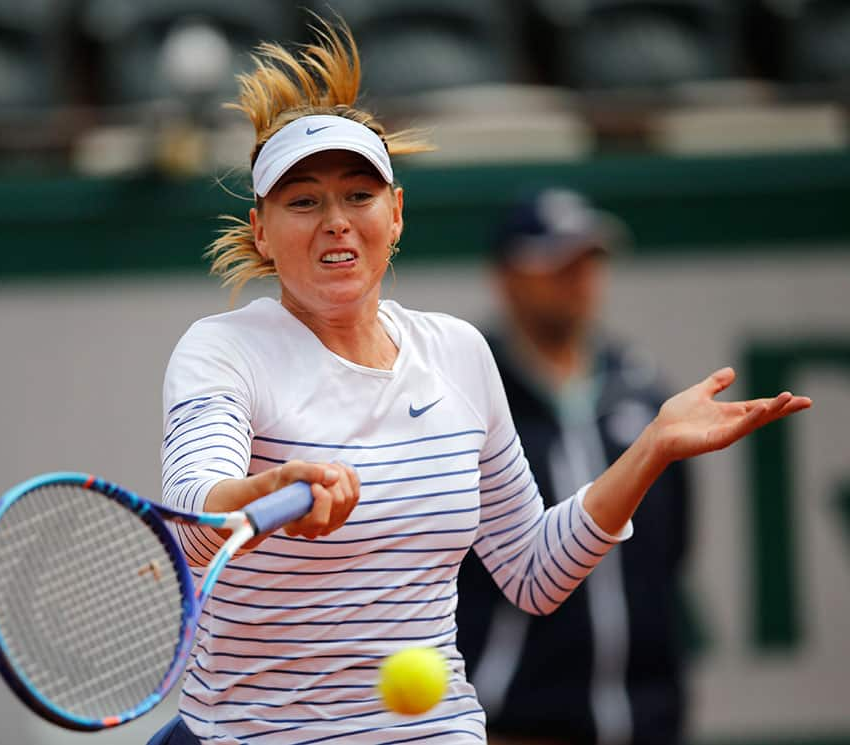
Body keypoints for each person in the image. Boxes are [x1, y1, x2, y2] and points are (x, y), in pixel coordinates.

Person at [148, 19, 810, 745]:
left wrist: (649, 449)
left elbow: (531, 569)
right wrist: (261, 496)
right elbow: (194, 517)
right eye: (303, 202)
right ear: (262, 231)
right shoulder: (223, 350)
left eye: (359, 196)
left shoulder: (457, 352)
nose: (335, 222)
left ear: (395, 215)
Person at [455, 189, 690, 745]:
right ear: (506, 276)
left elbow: (672, 551)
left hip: (648, 722)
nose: (577, 278)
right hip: (511, 726)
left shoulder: (642, 392)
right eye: (555, 262)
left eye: (588, 260)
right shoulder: (462, 400)